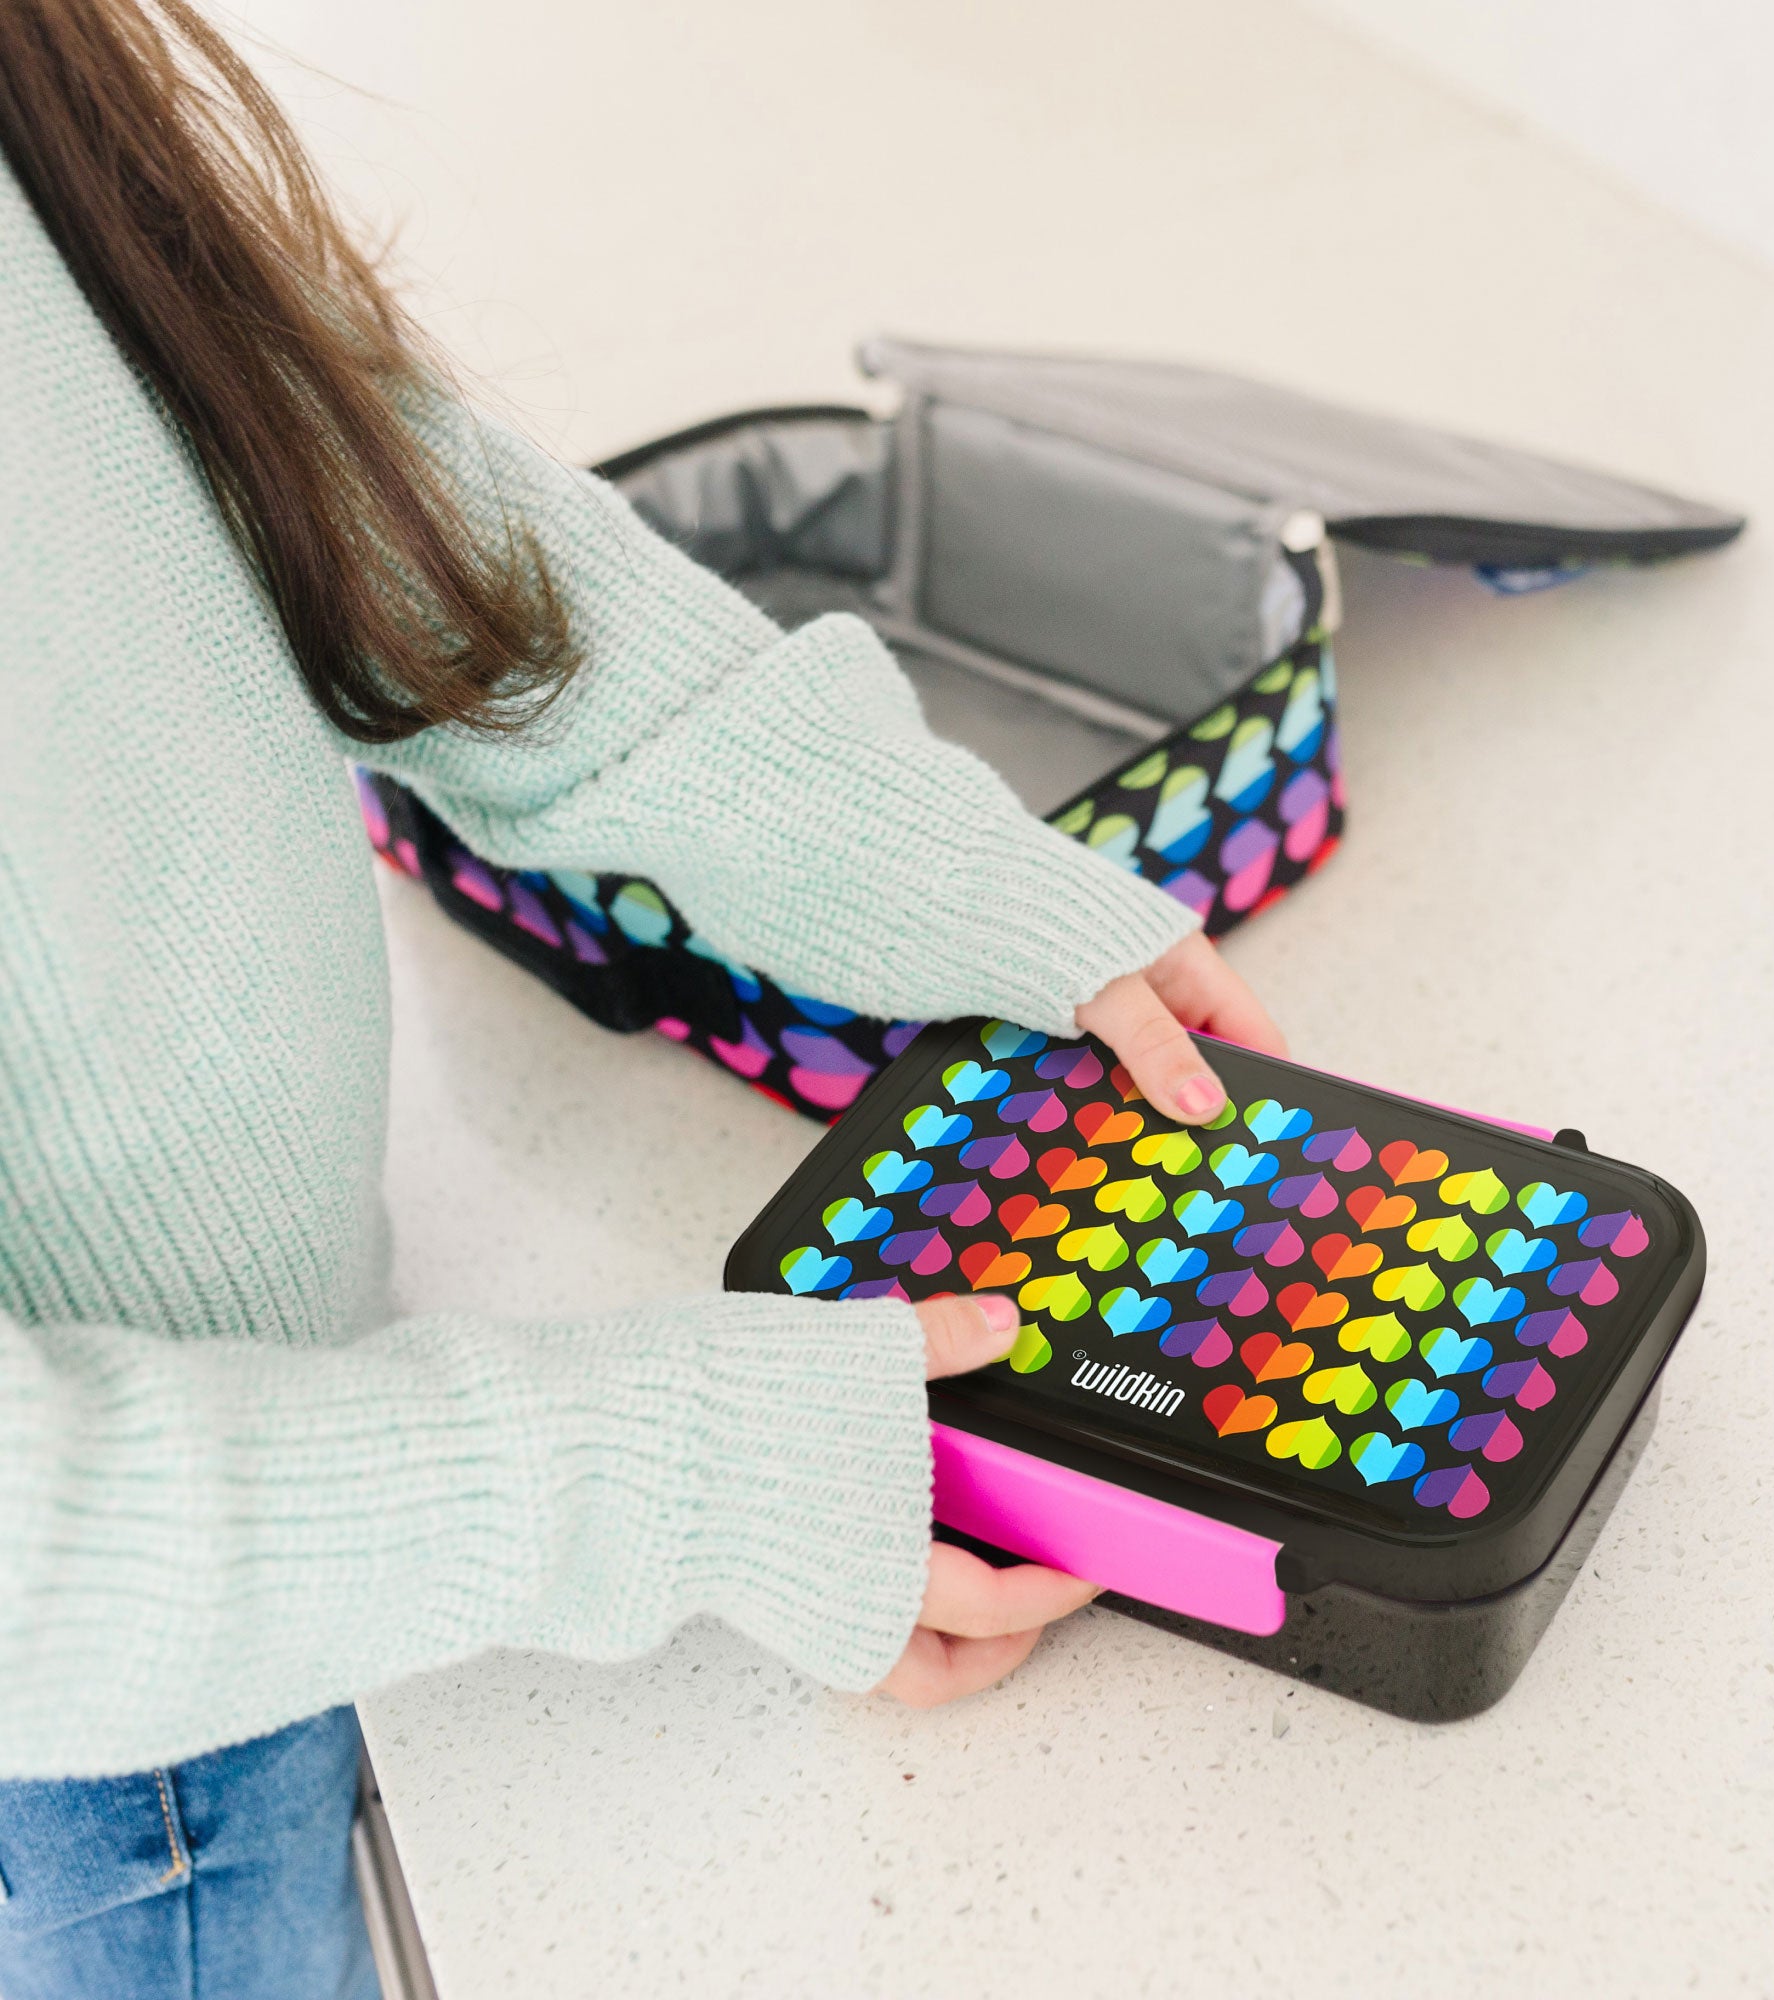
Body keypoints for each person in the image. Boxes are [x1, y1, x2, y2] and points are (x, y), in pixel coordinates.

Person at [0, 1, 1287, 1994]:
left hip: (328, 1470)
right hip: (114, 1767)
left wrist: (947, 873)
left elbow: (380, 517)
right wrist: (684, 1478)